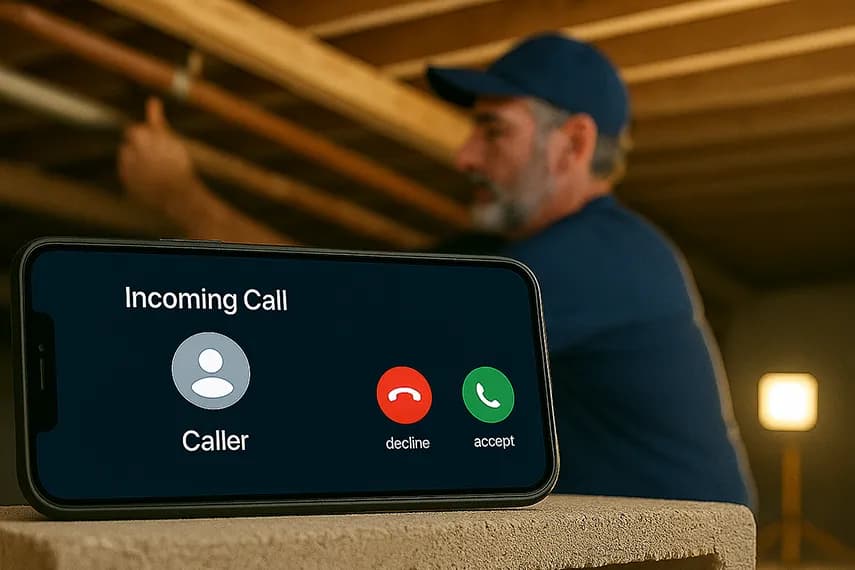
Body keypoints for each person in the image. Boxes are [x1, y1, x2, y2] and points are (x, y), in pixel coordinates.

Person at [118, 33, 755, 507]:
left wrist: (179, 196)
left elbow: (349, 320)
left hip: (684, 554)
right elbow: (338, 285)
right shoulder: (504, 263)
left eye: (492, 131)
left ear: (575, 145)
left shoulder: (612, 259)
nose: (463, 154)